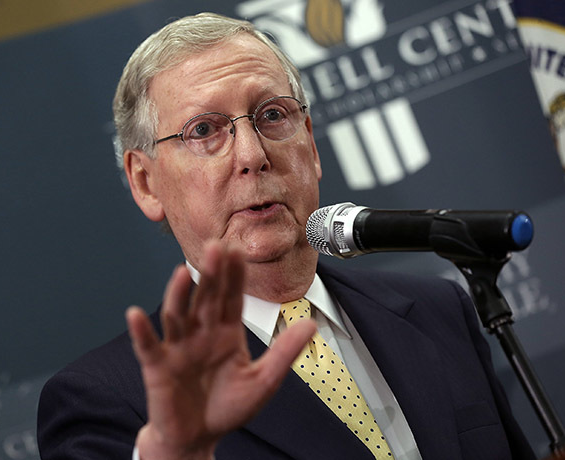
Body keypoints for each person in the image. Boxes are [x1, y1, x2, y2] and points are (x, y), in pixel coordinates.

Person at [37, 12, 535, 460]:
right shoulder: (109, 398)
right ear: (146, 183)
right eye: (205, 130)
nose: (252, 154)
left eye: (272, 115)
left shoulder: (437, 311)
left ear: (311, 144)